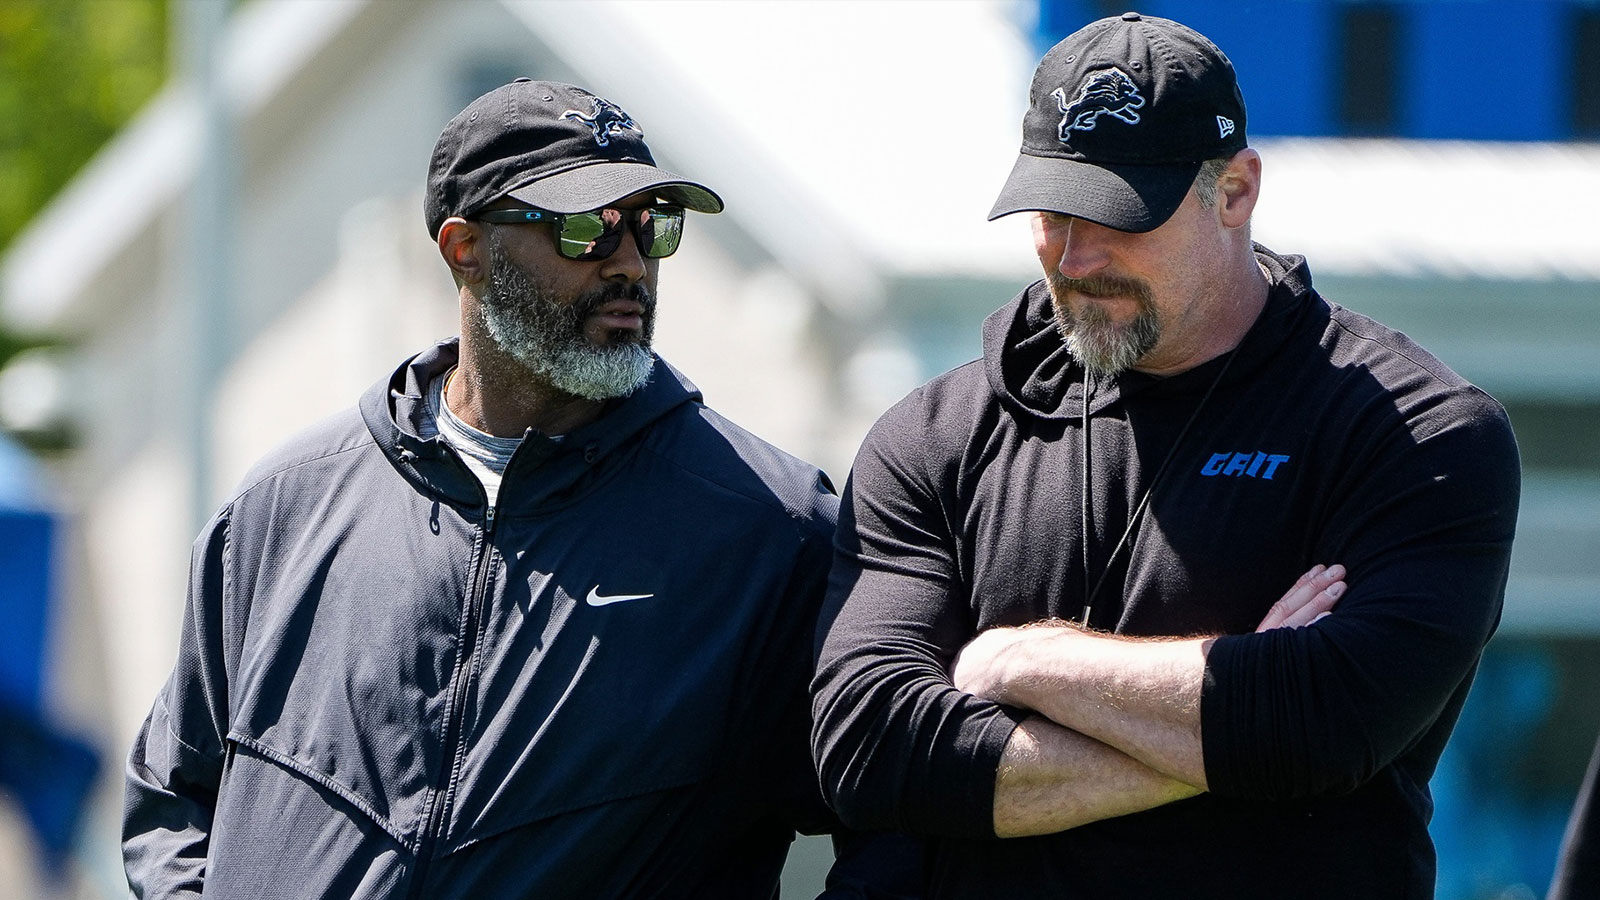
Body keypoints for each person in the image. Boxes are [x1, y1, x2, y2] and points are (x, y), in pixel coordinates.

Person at [125, 79, 915, 899]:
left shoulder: (771, 529)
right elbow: (171, 796)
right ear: (464, 248)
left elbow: (897, 822)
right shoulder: (284, 506)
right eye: (585, 229)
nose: (629, 263)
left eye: (651, 227)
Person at [811, 13, 1519, 899]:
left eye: (1121, 216)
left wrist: (1019, 663)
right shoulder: (938, 431)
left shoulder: (1412, 428)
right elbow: (869, 746)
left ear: (1234, 192)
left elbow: (1325, 725)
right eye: (1053, 212)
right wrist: (1226, 720)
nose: (1076, 257)